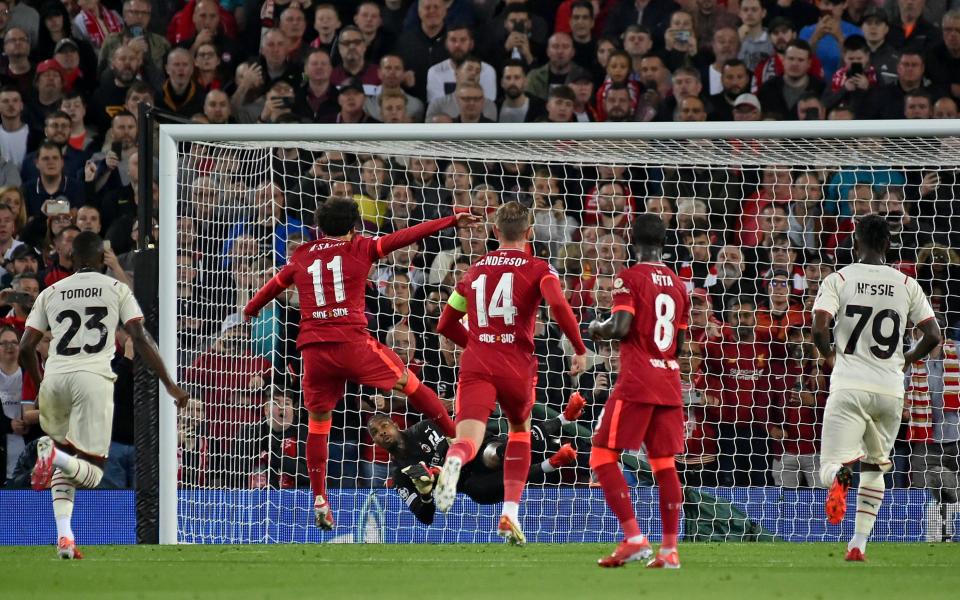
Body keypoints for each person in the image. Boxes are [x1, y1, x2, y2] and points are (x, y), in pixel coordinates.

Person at [243, 197, 475, 531]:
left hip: (315, 352)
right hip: (352, 344)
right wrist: (450, 220)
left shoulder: (301, 256)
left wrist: (250, 310)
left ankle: (321, 499)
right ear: (354, 227)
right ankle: (455, 440)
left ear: (321, 227)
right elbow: (405, 236)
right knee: (412, 385)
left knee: (318, 424)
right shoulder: (361, 247)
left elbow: (271, 288)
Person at [20, 231, 188, 559]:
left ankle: (65, 537)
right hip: (92, 380)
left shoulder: (51, 292)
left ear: (73, 259)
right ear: (101, 259)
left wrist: (41, 384)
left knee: (66, 463)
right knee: (94, 472)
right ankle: (53, 457)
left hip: (55, 378)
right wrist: (169, 382)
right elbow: (140, 337)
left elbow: (26, 346)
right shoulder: (115, 288)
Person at [433, 201, 587, 545]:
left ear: (494, 231)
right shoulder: (538, 268)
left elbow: (444, 324)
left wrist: (475, 341)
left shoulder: (473, 271)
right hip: (515, 364)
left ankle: (453, 461)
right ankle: (510, 513)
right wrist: (579, 348)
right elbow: (558, 305)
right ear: (529, 232)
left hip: (477, 361)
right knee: (519, 432)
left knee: (467, 440)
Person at [811, 214, 941, 561]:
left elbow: (819, 328)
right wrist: (906, 360)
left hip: (849, 384)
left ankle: (839, 476)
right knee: (875, 465)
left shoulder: (838, 279)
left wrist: (829, 357)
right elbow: (933, 336)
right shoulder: (906, 283)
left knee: (830, 464)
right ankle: (858, 544)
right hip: (889, 389)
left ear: (856, 241)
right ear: (887, 244)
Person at [586, 213, 689, 569]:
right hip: (669, 380)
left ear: (633, 242)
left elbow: (620, 325)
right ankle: (670, 550)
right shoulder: (678, 284)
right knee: (664, 464)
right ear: (663, 243)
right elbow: (681, 340)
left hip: (638, 379)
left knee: (601, 456)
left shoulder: (628, 278)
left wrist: (596, 327)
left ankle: (633, 538)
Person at [368, 395, 583, 525]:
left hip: (475, 454)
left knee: (497, 455)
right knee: (480, 490)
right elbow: (425, 517)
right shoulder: (399, 476)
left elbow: (448, 443)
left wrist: (436, 470)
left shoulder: (423, 428)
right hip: (471, 484)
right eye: (376, 433)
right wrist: (425, 495)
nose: (382, 433)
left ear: (394, 424)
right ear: (375, 442)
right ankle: (552, 463)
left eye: (384, 426)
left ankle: (564, 418)